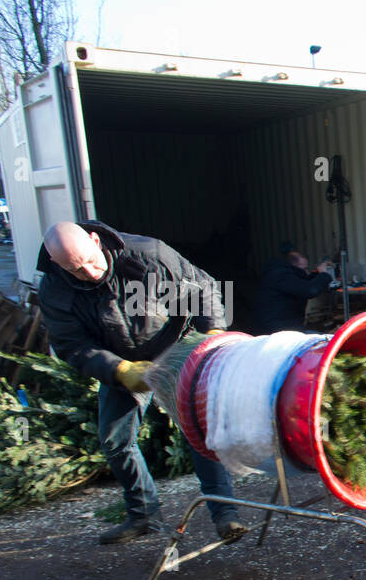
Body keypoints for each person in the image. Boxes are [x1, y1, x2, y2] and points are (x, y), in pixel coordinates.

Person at [36, 220, 247, 545]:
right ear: (56, 264)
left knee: (199, 430)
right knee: (115, 440)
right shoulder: (54, 289)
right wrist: (119, 370)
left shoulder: (148, 255)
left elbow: (203, 289)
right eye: (76, 270)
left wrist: (214, 334)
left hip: (175, 347)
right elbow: (71, 346)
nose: (90, 273)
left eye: (91, 262)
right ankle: (143, 515)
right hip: (121, 362)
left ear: (95, 239)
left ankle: (225, 515)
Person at [252, 247, 334, 334]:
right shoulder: (280, 275)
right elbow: (310, 290)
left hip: (284, 327)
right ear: (293, 266)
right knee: (324, 342)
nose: (306, 272)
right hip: (275, 331)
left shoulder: (283, 273)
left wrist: (317, 273)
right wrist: (324, 274)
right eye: (304, 269)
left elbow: (302, 283)